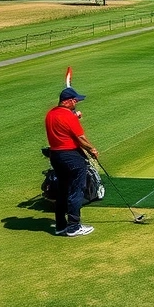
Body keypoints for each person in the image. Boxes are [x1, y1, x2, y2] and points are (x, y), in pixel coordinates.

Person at [44, 86, 100, 236]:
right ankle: (74, 226)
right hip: (71, 156)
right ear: (67, 101)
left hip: (56, 156)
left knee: (62, 190)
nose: (76, 103)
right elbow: (80, 138)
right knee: (76, 190)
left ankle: (60, 226)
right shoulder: (68, 116)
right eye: (74, 101)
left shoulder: (50, 114)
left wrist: (74, 116)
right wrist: (92, 150)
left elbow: (62, 126)